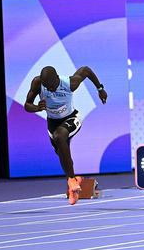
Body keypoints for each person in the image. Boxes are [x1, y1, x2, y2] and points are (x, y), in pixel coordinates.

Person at [23, 65, 108, 204]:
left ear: (57, 79)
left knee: (60, 136)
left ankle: (72, 183)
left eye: (52, 86)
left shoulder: (70, 83)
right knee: (62, 154)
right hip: (52, 123)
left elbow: (85, 70)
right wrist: (37, 108)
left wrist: (100, 89)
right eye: (47, 87)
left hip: (71, 118)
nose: (49, 89)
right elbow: (27, 105)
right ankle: (74, 180)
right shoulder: (37, 83)